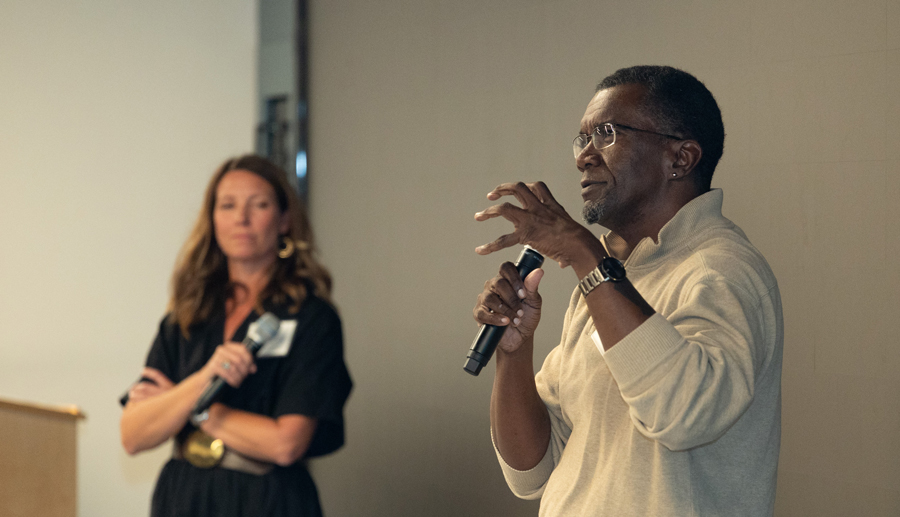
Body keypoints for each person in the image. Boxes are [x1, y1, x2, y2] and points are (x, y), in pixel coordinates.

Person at [472, 66, 783, 516]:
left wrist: (582, 252)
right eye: (582, 139)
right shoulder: (608, 277)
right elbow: (531, 471)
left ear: (681, 158)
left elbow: (684, 415)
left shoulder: (722, 270)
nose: (584, 156)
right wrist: (513, 352)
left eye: (607, 133)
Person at [120, 155, 352, 517]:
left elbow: (285, 444)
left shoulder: (312, 318)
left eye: (258, 205)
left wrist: (187, 409)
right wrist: (201, 382)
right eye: (227, 205)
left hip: (268, 501)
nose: (241, 218)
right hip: (184, 499)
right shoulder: (187, 314)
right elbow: (134, 434)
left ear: (284, 219)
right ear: (212, 220)